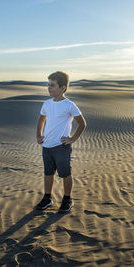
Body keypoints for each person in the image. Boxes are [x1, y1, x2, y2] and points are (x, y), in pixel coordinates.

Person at [35, 71, 87, 213]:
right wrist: (39, 135)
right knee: (48, 174)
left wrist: (72, 139)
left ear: (63, 88)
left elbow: (82, 124)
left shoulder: (69, 105)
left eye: (52, 85)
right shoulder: (46, 103)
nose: (49, 88)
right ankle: (47, 198)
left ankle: (67, 199)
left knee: (65, 174)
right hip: (47, 146)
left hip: (61, 147)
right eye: (48, 85)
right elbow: (41, 119)